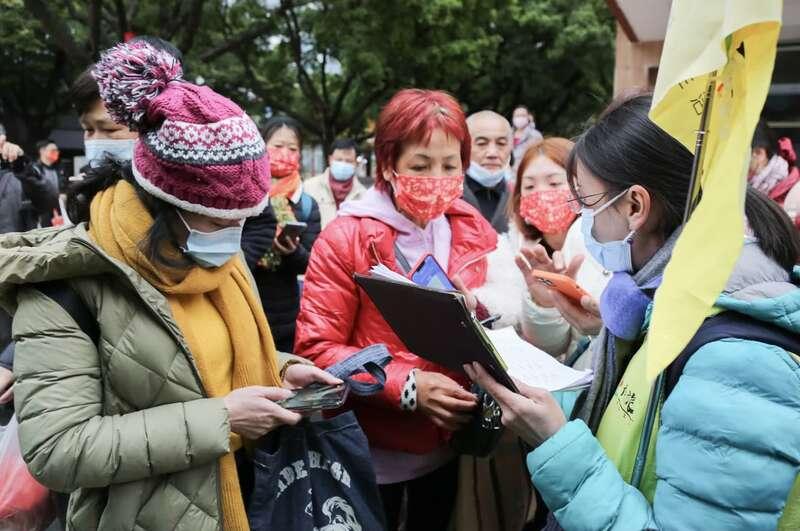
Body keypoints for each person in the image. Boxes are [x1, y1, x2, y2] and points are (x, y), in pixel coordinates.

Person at [0, 40, 338, 530]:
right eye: (215, 219)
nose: (232, 236)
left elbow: (201, 360)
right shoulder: (67, 286)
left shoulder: (215, 256)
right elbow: (58, 449)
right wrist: (221, 420)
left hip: (244, 501)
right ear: (162, 206)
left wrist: (279, 369)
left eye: (242, 220)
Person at [465, 94, 800, 530]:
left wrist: (556, 441)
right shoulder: (675, 304)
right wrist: (603, 335)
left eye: (585, 203)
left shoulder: (737, 360)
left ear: (635, 206)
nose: (584, 221)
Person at [295, 89, 498, 530]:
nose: (438, 178)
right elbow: (315, 348)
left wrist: (478, 317)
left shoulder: (468, 229)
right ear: (389, 166)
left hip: (450, 449)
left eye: (450, 165)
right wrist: (407, 387)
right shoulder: (345, 238)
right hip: (371, 456)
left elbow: (485, 324)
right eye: (420, 166)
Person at [510, 138, 610, 365]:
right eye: (529, 187)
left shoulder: (604, 247)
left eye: (554, 183)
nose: (542, 194)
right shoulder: (520, 254)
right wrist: (543, 304)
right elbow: (551, 347)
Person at [241, 116, 321, 352]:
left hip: (285, 319)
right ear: (261, 145)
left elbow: (311, 264)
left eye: (292, 148)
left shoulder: (306, 204)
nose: (284, 153)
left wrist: (292, 251)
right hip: (245, 306)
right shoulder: (244, 193)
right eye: (277, 146)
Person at [461, 110, 513, 234]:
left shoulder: (520, 198)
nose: (492, 153)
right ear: (464, 147)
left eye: (501, 144)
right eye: (482, 144)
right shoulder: (448, 198)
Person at [305, 138, 367, 228]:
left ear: (355, 164)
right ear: (330, 159)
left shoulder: (363, 196)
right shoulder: (309, 187)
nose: (343, 164)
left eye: (348, 161)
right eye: (339, 160)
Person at [511, 105, 543, 172]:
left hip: (528, 171)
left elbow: (540, 157)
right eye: (517, 116)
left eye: (522, 115)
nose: (519, 118)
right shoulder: (508, 135)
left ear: (529, 117)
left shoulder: (535, 135)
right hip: (508, 174)